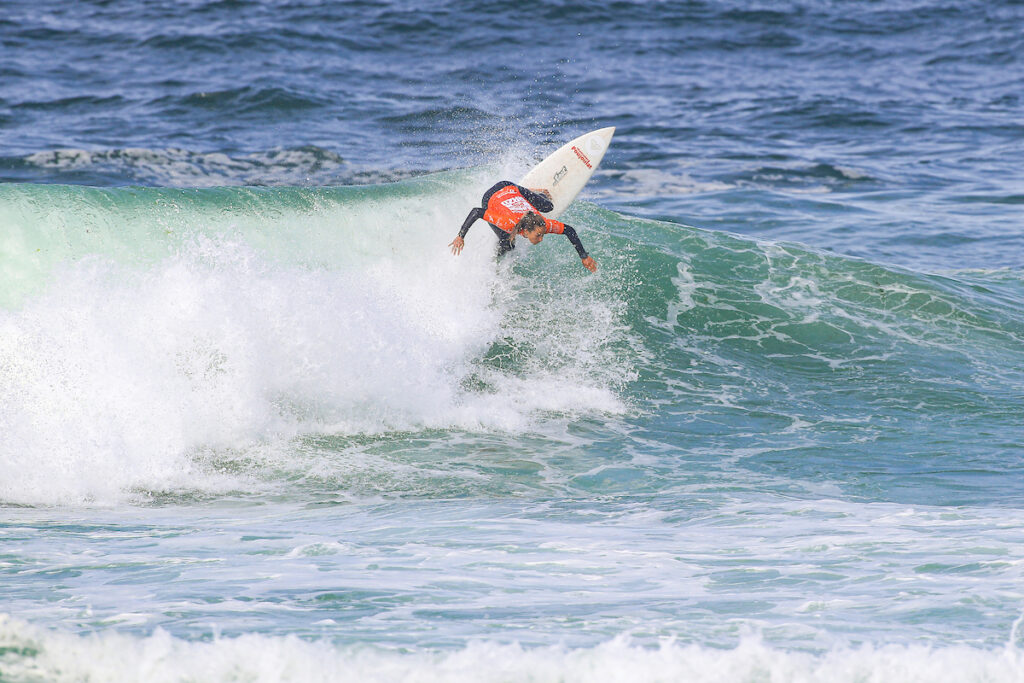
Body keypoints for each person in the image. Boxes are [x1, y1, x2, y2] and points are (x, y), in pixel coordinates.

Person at [449, 181, 598, 272]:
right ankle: (495, 261)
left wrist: (584, 256)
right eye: (538, 235)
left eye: (542, 234)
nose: (541, 238)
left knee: (548, 206)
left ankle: (534, 192)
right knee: (507, 243)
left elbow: (569, 230)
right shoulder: (508, 223)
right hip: (491, 197)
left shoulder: (543, 224)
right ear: (526, 231)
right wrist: (461, 236)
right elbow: (477, 212)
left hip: (511, 188)